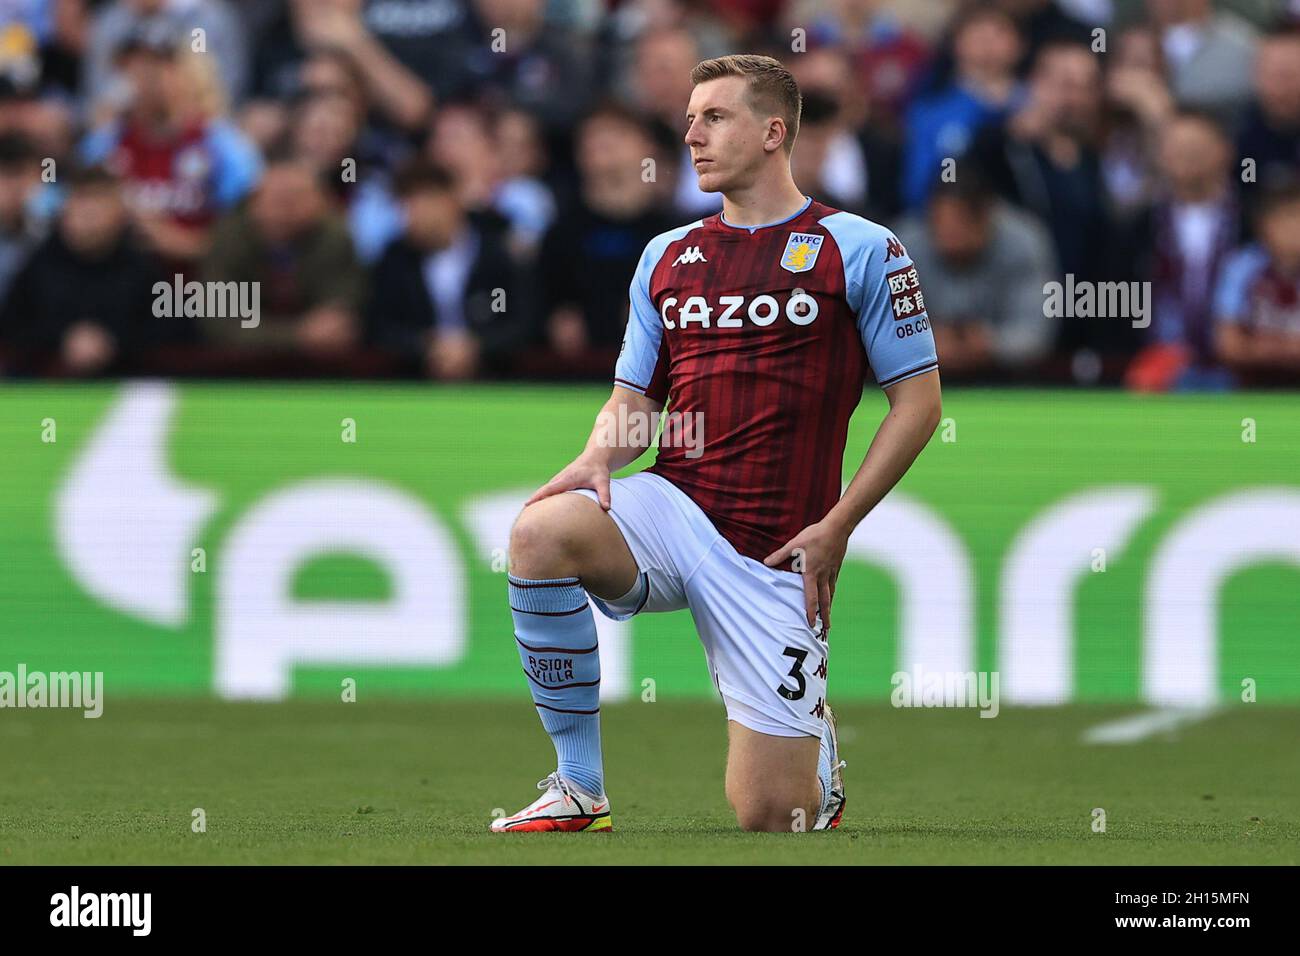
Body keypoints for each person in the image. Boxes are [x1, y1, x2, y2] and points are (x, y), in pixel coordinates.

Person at [493, 55, 942, 834]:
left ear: (775, 132)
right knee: (539, 530)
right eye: (690, 118)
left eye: (714, 117)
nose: (691, 133)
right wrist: (602, 453)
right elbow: (636, 401)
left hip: (775, 548)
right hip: (674, 506)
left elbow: (919, 405)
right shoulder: (667, 254)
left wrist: (837, 525)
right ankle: (579, 787)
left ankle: (814, 752)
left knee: (772, 816)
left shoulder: (861, 248)